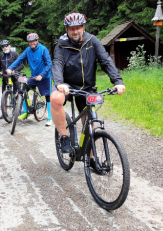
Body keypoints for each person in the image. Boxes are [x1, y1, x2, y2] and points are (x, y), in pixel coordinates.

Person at [50, 12, 125, 158]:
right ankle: (64, 137)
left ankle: (91, 158)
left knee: (89, 124)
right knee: (55, 99)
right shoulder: (61, 45)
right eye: (72, 28)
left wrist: (117, 81)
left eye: (78, 28)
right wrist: (59, 83)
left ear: (83, 27)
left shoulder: (92, 41)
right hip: (65, 85)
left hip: (86, 88)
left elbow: (106, 60)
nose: (75, 31)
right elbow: (57, 64)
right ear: (67, 29)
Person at [6, 33, 54, 126]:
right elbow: (20, 59)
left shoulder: (43, 49)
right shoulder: (28, 50)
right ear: (28, 43)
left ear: (37, 41)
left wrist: (42, 75)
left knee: (48, 96)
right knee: (22, 90)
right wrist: (11, 68)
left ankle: (50, 118)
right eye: (30, 42)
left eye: (33, 41)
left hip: (44, 77)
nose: (32, 43)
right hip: (33, 77)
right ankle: (25, 111)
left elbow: (49, 64)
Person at [0, 40, 24, 119]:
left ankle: (18, 109)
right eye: (3, 46)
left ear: (9, 46)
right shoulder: (1, 56)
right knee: (4, 95)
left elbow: (21, 65)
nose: (5, 47)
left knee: (18, 93)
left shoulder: (14, 54)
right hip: (5, 77)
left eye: (6, 45)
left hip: (14, 76)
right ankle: (4, 113)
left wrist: (14, 71)